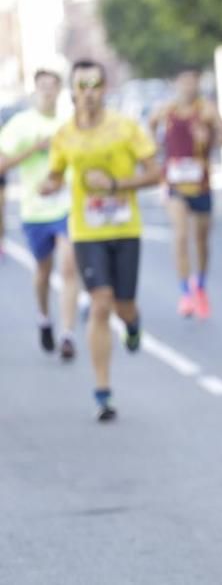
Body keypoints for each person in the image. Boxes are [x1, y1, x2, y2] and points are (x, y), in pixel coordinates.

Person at [39, 59, 161, 421]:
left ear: (104, 89)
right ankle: (103, 392)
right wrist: (50, 185)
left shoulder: (125, 127)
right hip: (87, 231)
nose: (88, 93)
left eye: (95, 85)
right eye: (81, 86)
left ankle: (133, 324)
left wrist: (114, 185)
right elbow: (56, 174)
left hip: (125, 229)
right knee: (100, 303)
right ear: (72, 91)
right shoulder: (64, 134)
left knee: (123, 306)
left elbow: (155, 173)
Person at [0, 69, 79, 359]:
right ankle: (44, 318)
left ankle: (68, 334)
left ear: (60, 91)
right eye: (42, 86)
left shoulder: (69, 123)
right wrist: (35, 148)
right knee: (43, 272)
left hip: (67, 206)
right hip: (35, 210)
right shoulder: (21, 124)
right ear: (35, 91)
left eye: (52, 86)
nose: (47, 91)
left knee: (69, 267)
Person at [149, 68, 222, 319]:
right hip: (175, 185)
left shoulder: (206, 110)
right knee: (180, 236)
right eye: (184, 82)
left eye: (193, 82)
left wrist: (210, 134)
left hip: (201, 185)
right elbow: (150, 132)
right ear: (176, 83)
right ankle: (185, 292)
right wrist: (158, 148)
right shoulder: (165, 111)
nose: (188, 87)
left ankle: (200, 286)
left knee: (201, 241)